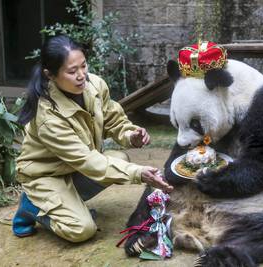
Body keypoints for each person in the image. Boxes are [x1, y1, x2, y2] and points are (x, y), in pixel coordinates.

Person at [12, 35, 173, 243]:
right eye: (72, 71)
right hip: (46, 175)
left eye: (83, 66)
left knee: (120, 158)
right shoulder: (48, 117)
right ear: (50, 75)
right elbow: (87, 161)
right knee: (82, 230)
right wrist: (139, 173)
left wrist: (130, 135)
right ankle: (32, 206)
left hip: (72, 168)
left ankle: (67, 204)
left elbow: (113, 120)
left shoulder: (95, 85)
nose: (81, 75)